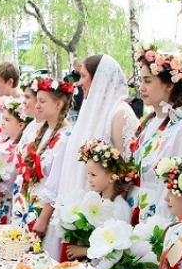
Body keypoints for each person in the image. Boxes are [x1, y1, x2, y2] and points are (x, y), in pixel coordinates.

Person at [57, 54, 139, 202]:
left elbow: (127, 170)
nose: (79, 83)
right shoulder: (91, 112)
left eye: (83, 76)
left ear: (99, 80)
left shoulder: (120, 114)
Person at [130, 49, 182, 221]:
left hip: (161, 214)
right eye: (141, 81)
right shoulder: (148, 124)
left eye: (148, 81)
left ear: (169, 85)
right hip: (136, 208)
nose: (141, 87)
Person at [12, 78, 74, 255]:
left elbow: (57, 183)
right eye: (37, 100)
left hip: (43, 212)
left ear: (58, 104)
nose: (37, 105)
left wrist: (43, 218)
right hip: (27, 206)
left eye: (42, 101)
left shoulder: (66, 137)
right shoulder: (39, 129)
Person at [58, 138, 137, 261]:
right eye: (88, 174)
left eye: (93, 175)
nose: (89, 179)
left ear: (112, 177)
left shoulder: (119, 208)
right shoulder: (98, 201)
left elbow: (115, 251)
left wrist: (84, 251)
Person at [0, 96, 32, 224]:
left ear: (21, 125)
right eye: (2, 118)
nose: (2, 122)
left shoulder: (17, 149)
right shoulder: (4, 141)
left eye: (7, 120)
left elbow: (11, 180)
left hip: (4, 200)